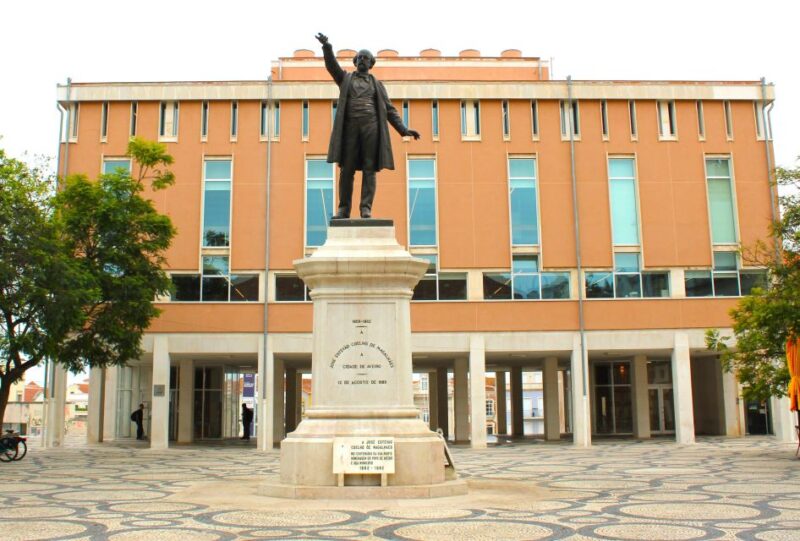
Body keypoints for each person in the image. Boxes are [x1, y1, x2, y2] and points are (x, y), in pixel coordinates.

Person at [315, 32, 420, 219]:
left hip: (371, 128)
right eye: (360, 57)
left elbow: (389, 110)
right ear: (355, 61)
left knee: (369, 168)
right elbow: (331, 66)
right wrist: (327, 47)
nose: (363, 60)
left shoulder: (377, 85)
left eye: (366, 58)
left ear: (371, 64)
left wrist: (403, 129)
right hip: (350, 128)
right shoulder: (345, 79)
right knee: (346, 169)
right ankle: (344, 209)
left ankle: (366, 208)